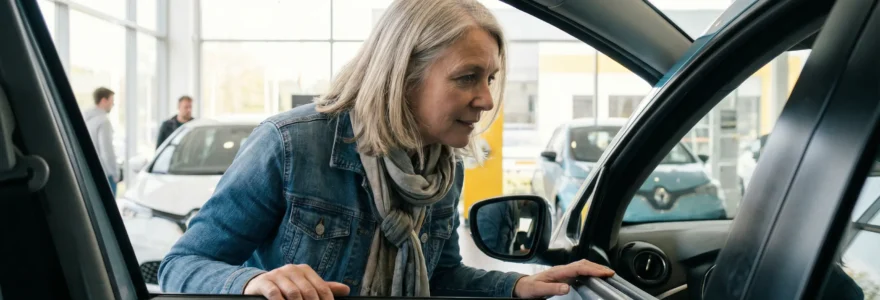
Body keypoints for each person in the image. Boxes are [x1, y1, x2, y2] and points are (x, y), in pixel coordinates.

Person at [158, 1, 613, 299]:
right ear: (403, 73)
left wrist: (518, 285)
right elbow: (180, 266)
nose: (487, 99)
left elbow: (440, 278)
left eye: (489, 78)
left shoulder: (441, 169)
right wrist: (253, 281)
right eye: (467, 77)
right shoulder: (293, 145)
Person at [82, 87, 119, 195]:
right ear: (104, 100)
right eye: (112, 101)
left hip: (90, 171)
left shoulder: (87, 119)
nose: (113, 104)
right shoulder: (103, 121)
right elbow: (107, 151)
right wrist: (115, 174)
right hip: (106, 174)